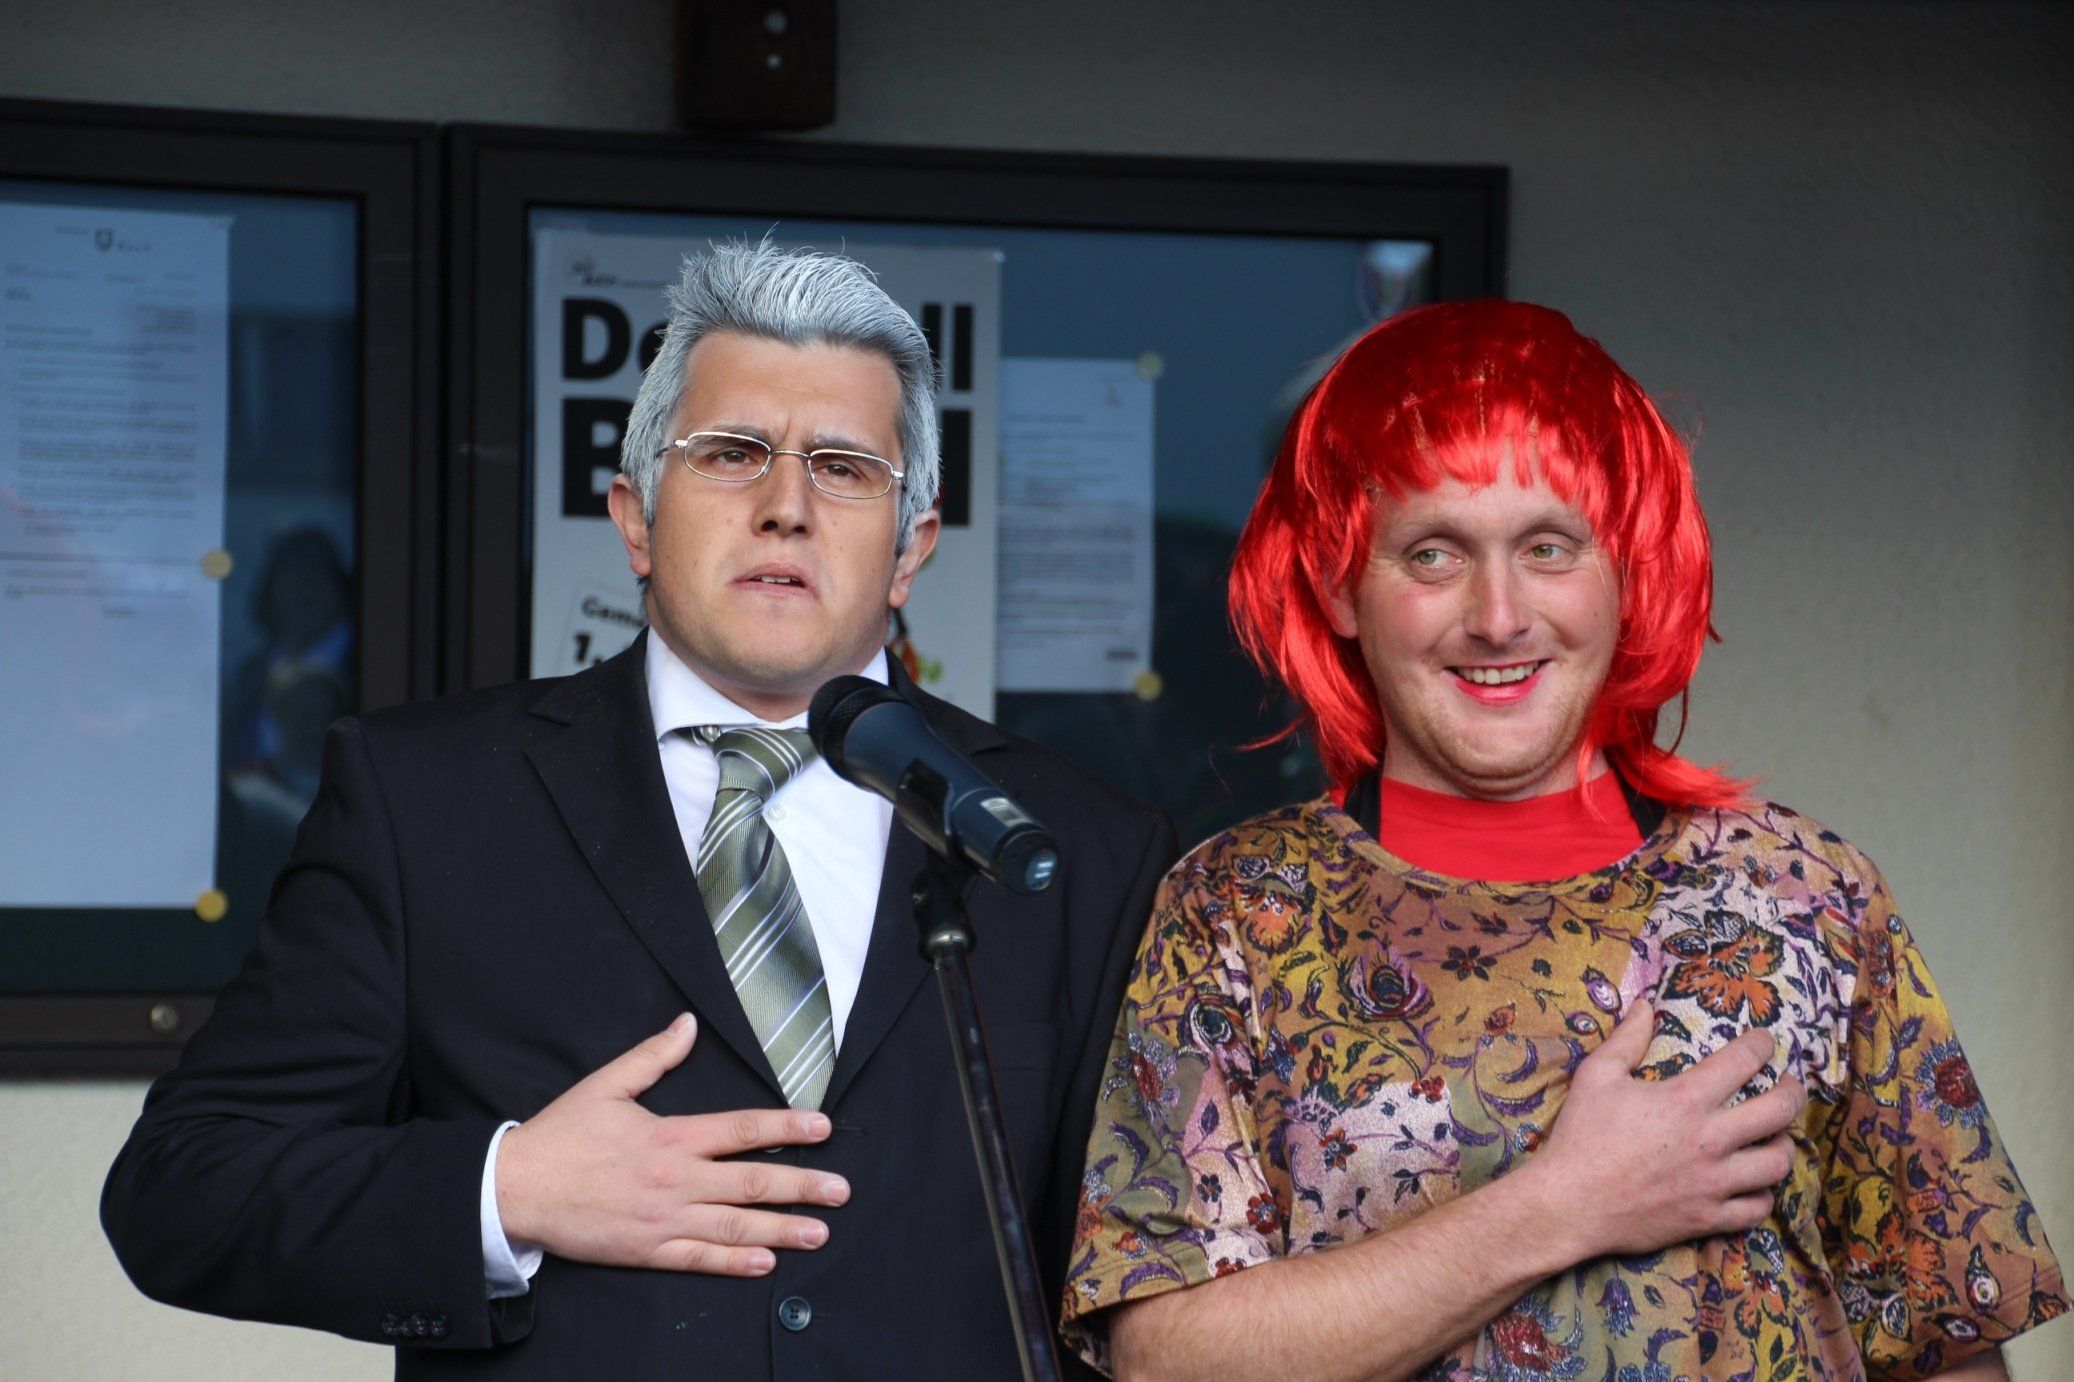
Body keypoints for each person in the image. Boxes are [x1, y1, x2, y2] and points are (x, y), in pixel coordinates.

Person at [102, 242, 1181, 1378]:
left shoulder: (1074, 846)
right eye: (731, 454)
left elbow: (1143, 1288)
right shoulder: (422, 801)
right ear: (635, 519)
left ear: (911, 547)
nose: (785, 507)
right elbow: (182, 1187)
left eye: (843, 467)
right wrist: (504, 1188)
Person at [1061, 301, 2067, 1380]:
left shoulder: (1804, 893)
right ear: (1341, 587)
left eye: (1548, 547)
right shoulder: (1239, 907)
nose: (1498, 615)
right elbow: (1165, 1359)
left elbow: (1942, 1343)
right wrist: (1562, 1203)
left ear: (1626, 569)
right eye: (1433, 554)